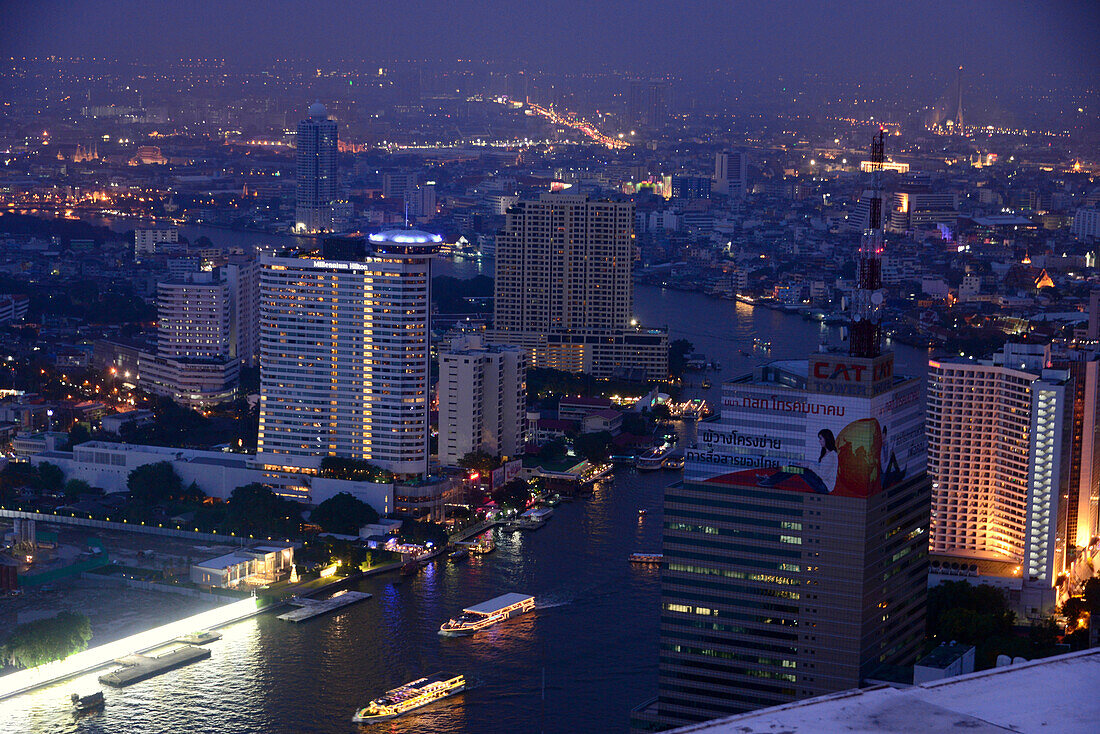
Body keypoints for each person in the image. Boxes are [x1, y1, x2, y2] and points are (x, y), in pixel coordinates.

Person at [757, 429, 838, 494]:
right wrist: (806, 465)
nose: (819, 441)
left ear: (826, 439)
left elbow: (823, 475)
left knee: (799, 470)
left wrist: (810, 465)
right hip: (821, 483)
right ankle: (770, 479)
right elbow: (822, 471)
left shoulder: (832, 456)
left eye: (821, 438)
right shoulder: (827, 453)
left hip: (824, 487)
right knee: (795, 468)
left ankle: (770, 481)